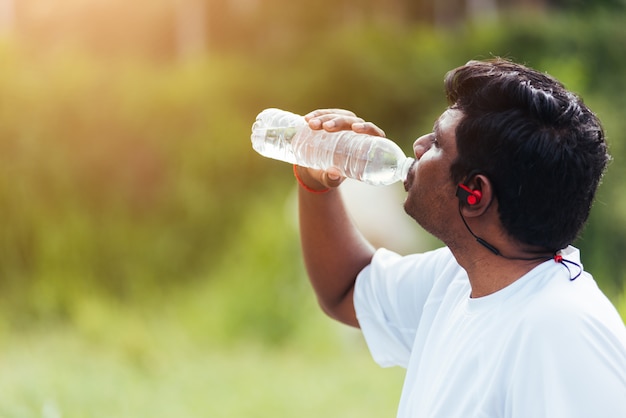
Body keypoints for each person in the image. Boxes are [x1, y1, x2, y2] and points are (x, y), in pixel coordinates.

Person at [292, 58, 626, 417]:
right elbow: (346, 289)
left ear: (474, 194)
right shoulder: (458, 278)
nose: (418, 146)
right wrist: (315, 183)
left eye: (437, 142)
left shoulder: (563, 333)